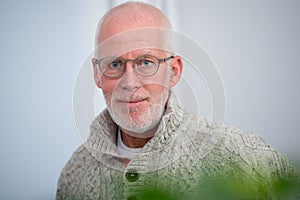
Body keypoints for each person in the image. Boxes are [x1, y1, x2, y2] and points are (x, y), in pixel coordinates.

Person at [56, 2, 298, 200]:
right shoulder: (74, 173)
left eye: (146, 62)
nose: (129, 83)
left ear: (174, 71)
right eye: (114, 64)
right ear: (97, 74)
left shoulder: (237, 154)